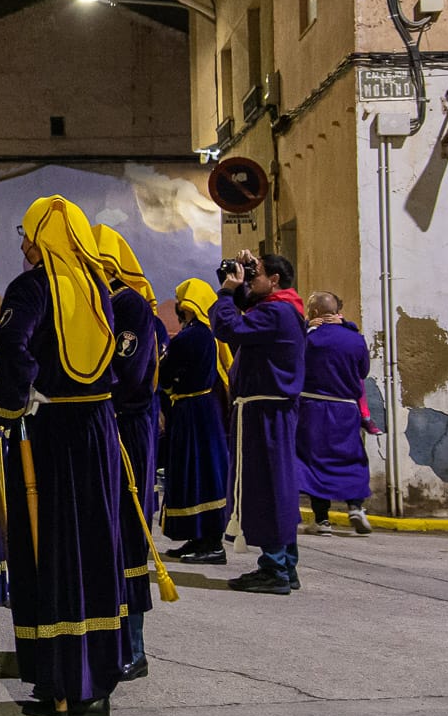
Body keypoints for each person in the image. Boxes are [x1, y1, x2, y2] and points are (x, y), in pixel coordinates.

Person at [0, 196, 126, 716]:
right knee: (92, 550)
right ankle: (96, 678)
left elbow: (12, 348)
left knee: (52, 553)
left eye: (27, 233)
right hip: (97, 430)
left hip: (50, 432)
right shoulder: (96, 288)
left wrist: (7, 401)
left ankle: (60, 679)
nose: (22, 243)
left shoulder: (32, 286)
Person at [211, 250, 308, 594]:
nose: (251, 280)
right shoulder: (284, 307)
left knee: (267, 486)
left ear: (276, 280)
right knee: (276, 484)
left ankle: (275, 568)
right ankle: (286, 564)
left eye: (257, 274)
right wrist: (241, 284)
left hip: (265, 412)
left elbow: (228, 326)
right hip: (270, 409)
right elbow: (248, 311)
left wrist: (225, 293)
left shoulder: (276, 312)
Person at [93, 226, 164, 681]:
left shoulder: (128, 305)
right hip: (105, 424)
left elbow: (127, 371)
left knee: (126, 530)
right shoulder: (98, 302)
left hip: (125, 427)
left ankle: (132, 647)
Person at [160, 278, 232, 563]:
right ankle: (198, 537)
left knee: (198, 473)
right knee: (197, 472)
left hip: (193, 413)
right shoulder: (204, 334)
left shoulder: (192, 336)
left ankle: (212, 543)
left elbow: (166, 373)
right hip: (200, 410)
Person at [297, 292, 375, 537]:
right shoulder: (355, 339)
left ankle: (322, 520)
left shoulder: (308, 340)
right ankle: (356, 507)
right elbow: (362, 371)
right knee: (351, 457)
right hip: (346, 409)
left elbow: (291, 359)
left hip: (313, 407)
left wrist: (304, 328)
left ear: (316, 314)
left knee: (314, 462)